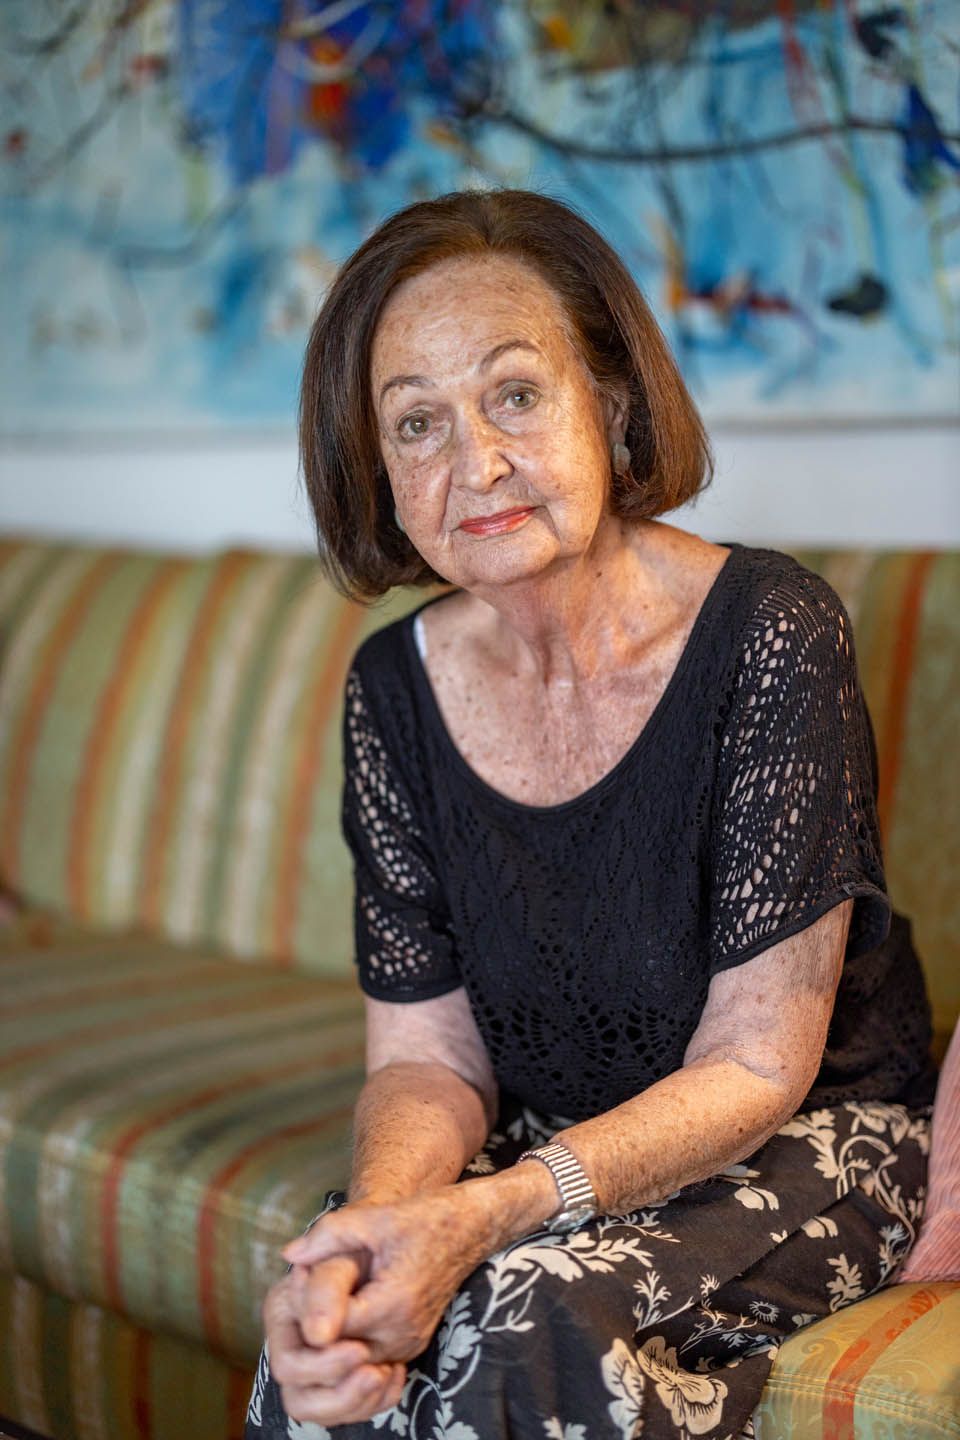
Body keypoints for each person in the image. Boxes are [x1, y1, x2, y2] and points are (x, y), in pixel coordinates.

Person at [246, 189, 935, 1440]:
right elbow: (426, 1058)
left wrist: (489, 1214)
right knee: (339, 1304)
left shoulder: (772, 634)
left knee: (520, 1316)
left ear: (612, 406)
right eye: (417, 423)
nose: (476, 464)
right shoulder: (391, 690)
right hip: (545, 1130)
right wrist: (391, 1219)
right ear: (379, 471)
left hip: (811, 1134)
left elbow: (758, 1064)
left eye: (515, 394)